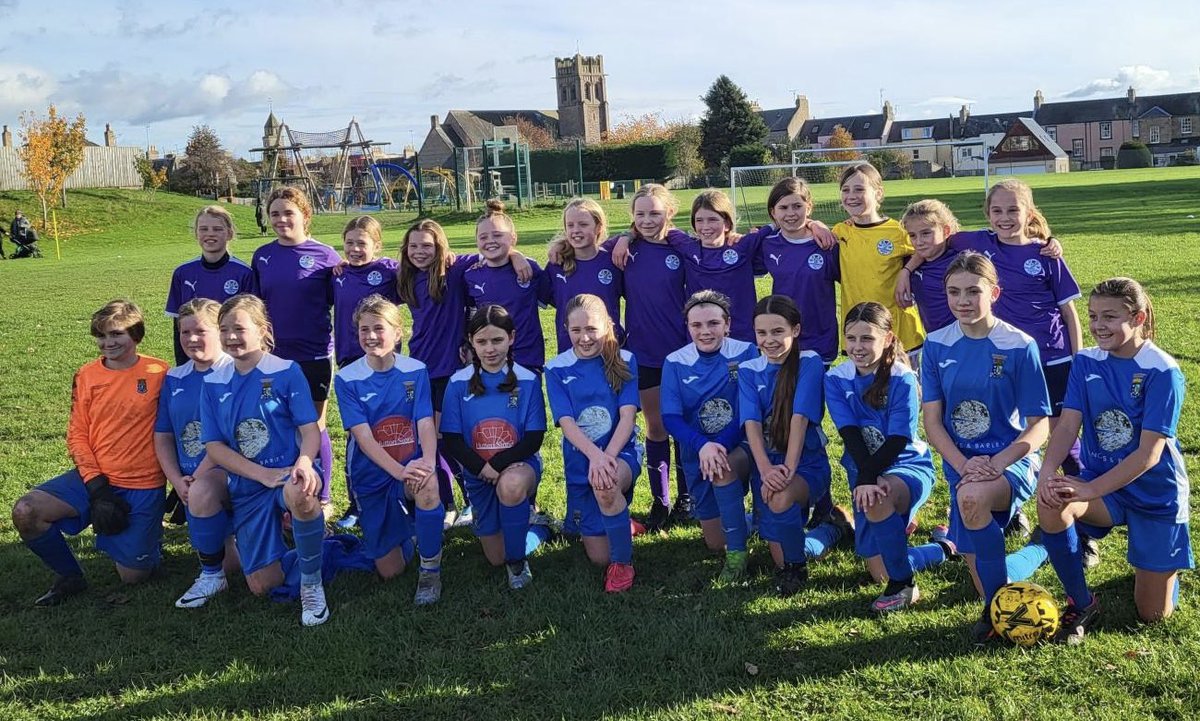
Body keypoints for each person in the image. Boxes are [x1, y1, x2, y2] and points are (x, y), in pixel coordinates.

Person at [1037, 278, 1191, 644]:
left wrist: (1089, 488)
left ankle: (1160, 571)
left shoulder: (1163, 371)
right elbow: (1067, 425)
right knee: (1053, 502)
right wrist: (1047, 472)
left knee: (1153, 615)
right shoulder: (1087, 361)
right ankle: (1082, 601)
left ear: (1137, 318)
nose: (1097, 325)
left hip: (1155, 493)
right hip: (1106, 486)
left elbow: (1149, 454)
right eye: (1092, 316)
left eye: (1110, 316)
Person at [921, 252, 1051, 643]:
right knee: (982, 562)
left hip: (1009, 463)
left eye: (973, 291)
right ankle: (1041, 546)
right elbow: (932, 422)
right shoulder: (936, 344)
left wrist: (996, 463)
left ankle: (998, 614)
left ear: (993, 292)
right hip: (962, 468)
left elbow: (1039, 425)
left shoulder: (1018, 345)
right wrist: (964, 464)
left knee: (974, 501)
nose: (963, 300)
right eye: (954, 292)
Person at [11, 300, 168, 605]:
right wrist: (96, 485)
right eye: (101, 335)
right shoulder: (86, 375)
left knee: (133, 577)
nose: (107, 342)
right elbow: (77, 433)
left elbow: (176, 427)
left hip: (143, 483)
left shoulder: (159, 371)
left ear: (136, 334)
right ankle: (70, 576)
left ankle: (148, 545)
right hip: (93, 476)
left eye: (116, 334)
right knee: (26, 512)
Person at [200, 294, 330, 626]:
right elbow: (214, 446)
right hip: (250, 483)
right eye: (224, 329)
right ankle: (307, 547)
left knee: (302, 494)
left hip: (289, 472)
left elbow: (310, 430)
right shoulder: (213, 382)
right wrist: (261, 474)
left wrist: (304, 462)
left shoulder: (286, 371)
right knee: (262, 586)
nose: (231, 336)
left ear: (262, 330)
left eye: (240, 328)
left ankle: (312, 584)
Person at [397, 219, 531, 529]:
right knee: (428, 438)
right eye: (414, 246)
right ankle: (447, 502)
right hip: (419, 366)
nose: (419, 252)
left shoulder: (454, 270)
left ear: (440, 247)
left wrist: (518, 256)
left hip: (451, 367)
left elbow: (491, 254)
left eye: (427, 246)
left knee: (451, 436)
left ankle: (471, 498)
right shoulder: (403, 276)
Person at [826, 302, 951, 613]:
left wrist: (869, 478)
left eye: (867, 338)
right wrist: (865, 476)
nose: (857, 347)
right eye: (851, 338)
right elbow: (849, 433)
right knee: (876, 570)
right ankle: (937, 545)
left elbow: (898, 440)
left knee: (879, 497)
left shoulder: (902, 377)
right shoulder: (836, 378)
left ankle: (908, 582)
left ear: (888, 338)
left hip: (906, 466)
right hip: (864, 472)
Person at [334, 295, 444, 605]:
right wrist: (398, 470)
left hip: (410, 465)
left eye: (379, 328)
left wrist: (427, 461)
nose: (370, 336)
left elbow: (424, 421)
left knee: (428, 486)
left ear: (398, 332)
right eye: (364, 329)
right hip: (371, 473)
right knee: (390, 571)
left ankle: (430, 572)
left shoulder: (416, 370)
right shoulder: (347, 378)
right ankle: (410, 535)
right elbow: (364, 438)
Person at [738, 295, 846, 596]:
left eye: (778, 332)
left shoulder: (809, 362)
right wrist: (766, 470)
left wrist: (785, 470)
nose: (769, 340)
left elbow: (799, 419)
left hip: (805, 464)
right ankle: (824, 522)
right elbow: (752, 425)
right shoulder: (748, 370)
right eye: (762, 333)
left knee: (781, 504)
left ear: (795, 331)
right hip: (768, 467)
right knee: (778, 546)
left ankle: (812, 551)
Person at [440, 305, 547, 590]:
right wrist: (481, 468)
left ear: (511, 338)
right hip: (478, 473)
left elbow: (534, 437)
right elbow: (451, 438)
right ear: (471, 342)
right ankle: (538, 528)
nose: (490, 349)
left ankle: (518, 564)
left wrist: (498, 465)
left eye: (497, 340)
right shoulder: (457, 383)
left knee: (511, 486)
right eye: (482, 341)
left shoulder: (527, 380)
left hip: (517, 464)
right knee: (494, 557)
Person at [251, 187, 342, 511]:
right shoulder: (262, 256)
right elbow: (255, 306)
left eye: (288, 212)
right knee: (279, 424)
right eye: (274, 213)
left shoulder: (327, 256)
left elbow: (346, 296)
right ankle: (289, 491)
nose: (280, 219)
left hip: (313, 354)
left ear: (305, 215)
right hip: (273, 357)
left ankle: (325, 496)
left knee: (313, 426)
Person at [545, 294, 642, 592]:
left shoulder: (625, 360)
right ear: (566, 330)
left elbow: (627, 417)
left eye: (592, 329)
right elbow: (566, 423)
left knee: (606, 486)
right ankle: (621, 520)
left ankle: (623, 566)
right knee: (598, 557)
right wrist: (594, 457)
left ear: (608, 326)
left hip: (620, 454)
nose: (584, 338)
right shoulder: (556, 368)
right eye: (576, 331)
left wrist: (607, 457)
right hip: (581, 460)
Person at [661, 290, 760, 584]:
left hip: (739, 444)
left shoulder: (746, 353)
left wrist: (720, 445)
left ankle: (738, 556)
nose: (705, 331)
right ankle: (748, 523)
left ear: (727, 324)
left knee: (724, 469)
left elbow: (747, 411)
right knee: (714, 542)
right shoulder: (675, 362)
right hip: (697, 452)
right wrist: (703, 445)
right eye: (697, 325)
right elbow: (670, 418)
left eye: (713, 323)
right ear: (688, 327)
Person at [155, 298, 240, 608]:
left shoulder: (238, 372)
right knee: (233, 563)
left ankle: (210, 574)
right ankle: (219, 563)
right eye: (183, 332)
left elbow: (232, 439)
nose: (191, 339)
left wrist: (195, 479)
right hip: (189, 482)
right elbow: (163, 434)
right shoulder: (174, 377)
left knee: (203, 492)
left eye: (200, 331)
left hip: (231, 473)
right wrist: (177, 480)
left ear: (220, 331)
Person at [330, 215, 401, 529]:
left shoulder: (389, 271)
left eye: (362, 243)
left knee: (393, 429)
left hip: (387, 366)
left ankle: (399, 494)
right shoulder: (336, 275)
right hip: (350, 364)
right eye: (350, 243)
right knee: (356, 436)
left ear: (377, 245)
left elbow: (424, 271)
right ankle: (356, 503)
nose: (355, 249)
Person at [833, 163, 925, 365]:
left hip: (900, 333)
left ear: (878, 193)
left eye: (859, 189)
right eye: (845, 190)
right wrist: (814, 225)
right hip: (859, 335)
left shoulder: (898, 231)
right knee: (867, 393)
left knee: (905, 392)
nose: (851, 195)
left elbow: (924, 250)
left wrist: (906, 271)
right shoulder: (840, 232)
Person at [464, 200, 550, 374]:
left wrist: (515, 254)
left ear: (513, 238)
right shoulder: (471, 275)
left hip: (527, 359)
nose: (490, 241)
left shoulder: (529, 269)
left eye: (497, 235)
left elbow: (556, 300)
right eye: (483, 237)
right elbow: (470, 317)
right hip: (489, 360)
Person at [165, 205, 256, 365]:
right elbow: (178, 326)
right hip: (195, 359)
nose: (210, 234)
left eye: (217, 229)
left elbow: (251, 323)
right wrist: (183, 364)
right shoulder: (182, 273)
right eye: (204, 229)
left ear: (229, 233)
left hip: (232, 359)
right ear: (196, 233)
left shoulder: (244, 273)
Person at [542, 198, 624, 354]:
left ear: (598, 227)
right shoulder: (556, 265)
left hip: (609, 350)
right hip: (570, 351)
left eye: (583, 224)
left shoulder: (613, 261)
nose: (576, 230)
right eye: (570, 225)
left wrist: (627, 236)